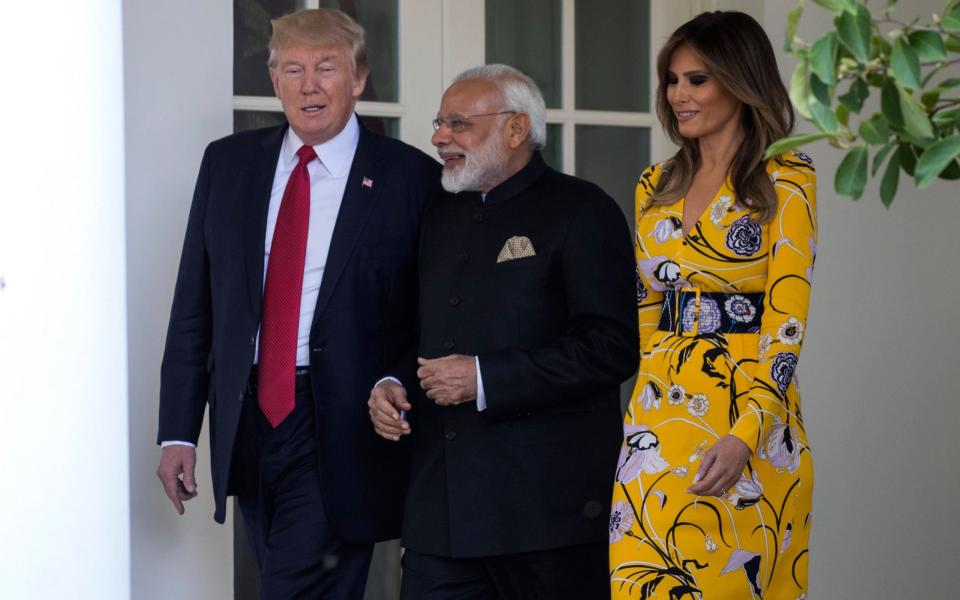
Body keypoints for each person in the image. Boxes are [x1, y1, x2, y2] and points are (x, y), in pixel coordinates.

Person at [155, 9, 439, 599]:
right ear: (275, 80)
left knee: (296, 588)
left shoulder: (409, 178)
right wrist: (178, 432)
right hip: (250, 416)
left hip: (341, 420)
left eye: (326, 68)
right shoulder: (228, 164)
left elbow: (433, 310)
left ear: (358, 79)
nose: (309, 85)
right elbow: (195, 305)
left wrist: (393, 376)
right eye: (293, 69)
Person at [368, 64, 638, 599]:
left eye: (458, 124)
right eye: (439, 123)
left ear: (516, 130)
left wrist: (485, 378)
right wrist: (388, 384)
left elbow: (611, 348)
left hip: (547, 519)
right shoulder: (437, 217)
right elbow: (417, 334)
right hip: (440, 516)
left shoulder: (583, 210)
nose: (439, 137)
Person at [608, 11, 817, 599]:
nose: (679, 95)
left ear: (740, 81)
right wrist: (642, 410)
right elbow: (646, 304)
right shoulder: (655, 183)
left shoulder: (787, 178)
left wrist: (747, 433)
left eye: (696, 80)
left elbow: (787, 317)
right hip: (658, 418)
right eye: (672, 81)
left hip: (747, 415)